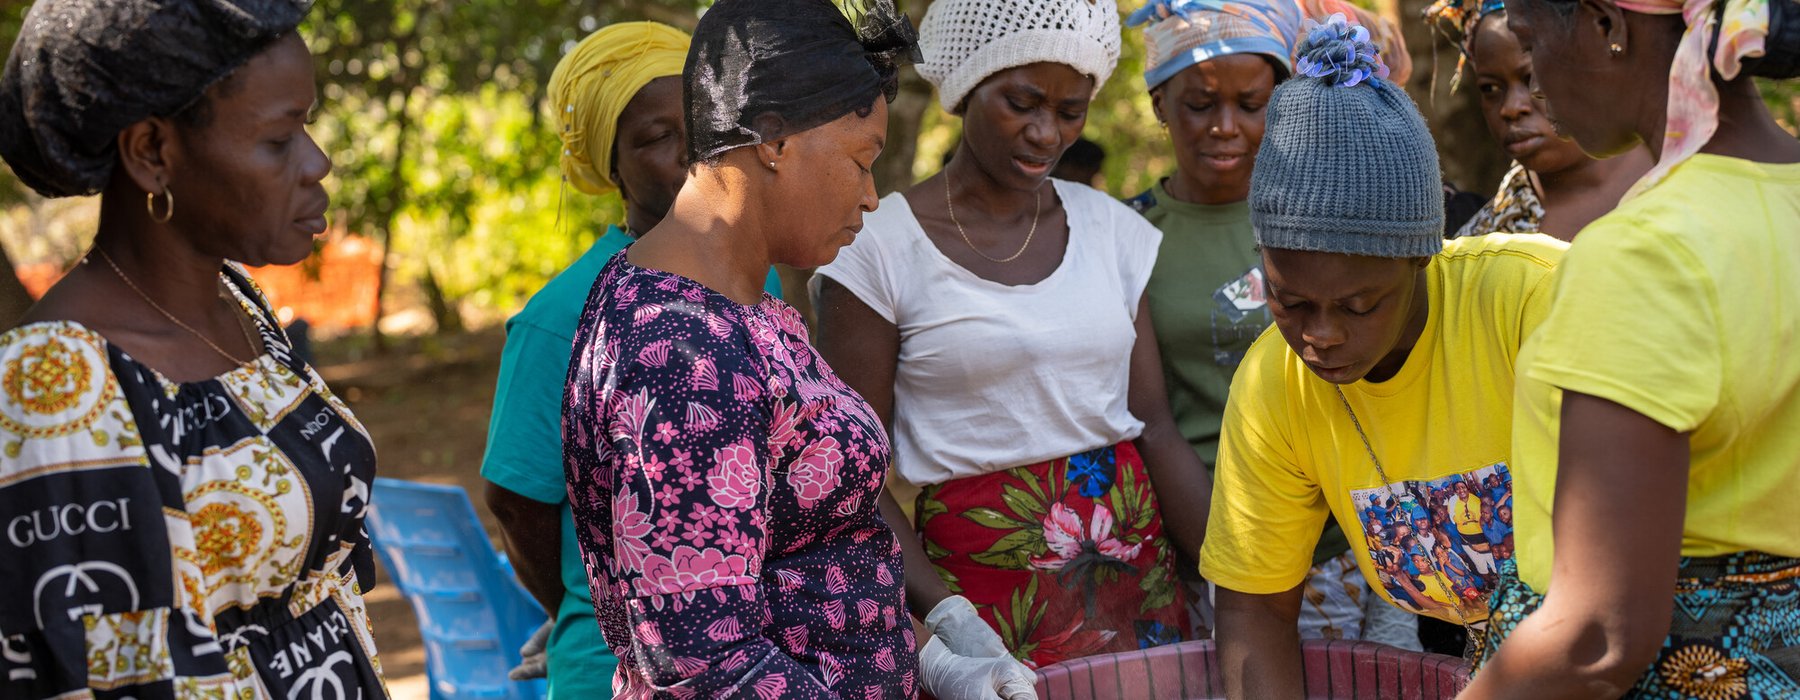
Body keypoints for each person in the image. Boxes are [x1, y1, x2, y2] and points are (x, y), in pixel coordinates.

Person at [561, 2, 1030, 698]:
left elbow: (809, 549)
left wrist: (927, 653)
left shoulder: (738, 305)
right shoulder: (681, 351)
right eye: (859, 160)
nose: (872, 196)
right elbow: (705, 666)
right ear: (774, 140)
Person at [0, 1, 385, 697]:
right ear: (153, 153)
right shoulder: (59, 381)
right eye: (278, 140)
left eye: (309, 125)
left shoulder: (241, 307)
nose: (317, 162)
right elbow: (95, 672)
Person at [814, 0, 1212, 670]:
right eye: (1023, 102)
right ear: (968, 85)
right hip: (973, 593)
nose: (1046, 133)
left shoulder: (1113, 232)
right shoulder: (878, 249)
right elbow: (855, 476)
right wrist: (942, 623)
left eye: (1070, 110)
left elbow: (1156, 426)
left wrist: (1234, 579)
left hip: (1133, 580)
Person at [1194, 15, 1569, 699]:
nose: (1321, 336)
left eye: (1358, 306)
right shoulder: (1273, 385)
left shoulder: (1534, 301)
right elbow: (1255, 603)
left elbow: (1636, 555)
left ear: (1422, 257)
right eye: (1290, 303)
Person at [1458, 0, 1800, 691]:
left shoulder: (1645, 252)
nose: (1536, 89)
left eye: (1531, 44)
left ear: (1608, 26)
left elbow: (1597, 639)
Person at [478, 21, 786, 697]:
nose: (691, 154)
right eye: (655, 138)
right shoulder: (561, 318)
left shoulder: (761, 281)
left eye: (701, 123)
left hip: (759, 653)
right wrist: (583, 609)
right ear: (610, 166)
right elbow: (515, 497)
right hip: (622, 671)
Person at [1125, 0, 1421, 648]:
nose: (1225, 127)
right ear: (1157, 104)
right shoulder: (1128, 235)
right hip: (1224, 542)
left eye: (1251, 103)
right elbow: (1155, 420)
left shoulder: (1331, 211)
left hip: (1361, 537)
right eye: (1200, 105)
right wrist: (1240, 560)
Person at [1423, 0, 1653, 240]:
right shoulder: (1490, 241)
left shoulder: (1677, 156)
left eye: (1530, 76)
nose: (1511, 109)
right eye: (1490, 88)